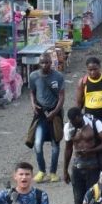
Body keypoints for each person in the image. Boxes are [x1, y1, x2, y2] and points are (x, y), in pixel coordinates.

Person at [28, 52, 66, 181]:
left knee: (56, 143)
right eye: (42, 63)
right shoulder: (34, 76)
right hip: (41, 114)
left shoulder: (58, 76)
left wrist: (55, 111)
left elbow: (62, 95)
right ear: (39, 63)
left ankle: (53, 172)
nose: (44, 65)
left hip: (55, 114)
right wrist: (33, 105)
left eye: (47, 62)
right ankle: (41, 170)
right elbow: (32, 92)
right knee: (37, 143)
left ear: (51, 63)